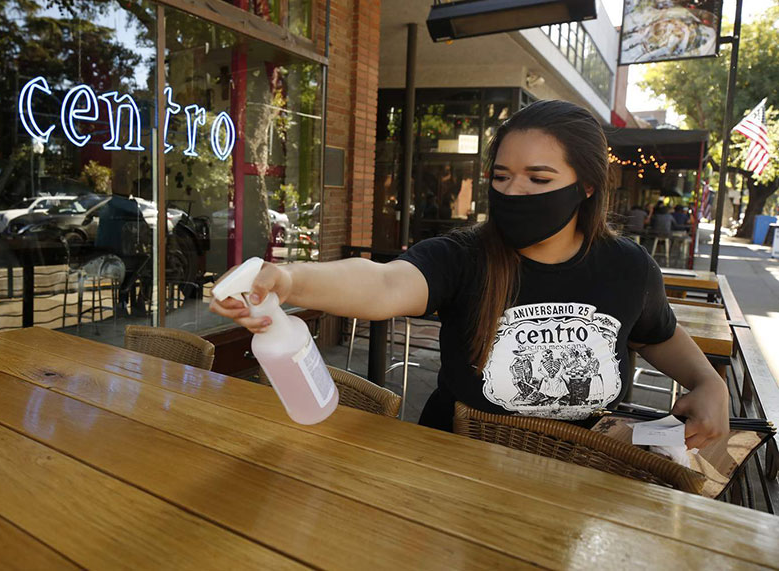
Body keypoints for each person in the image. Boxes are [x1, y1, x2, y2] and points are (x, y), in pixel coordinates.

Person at [209, 100, 729, 450]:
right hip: (456, 465)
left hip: (581, 475)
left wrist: (709, 384)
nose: (514, 192)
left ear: (587, 186)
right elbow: (385, 283)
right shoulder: (465, 255)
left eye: (538, 178)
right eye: (502, 177)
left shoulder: (628, 268)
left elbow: (661, 336)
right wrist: (289, 279)